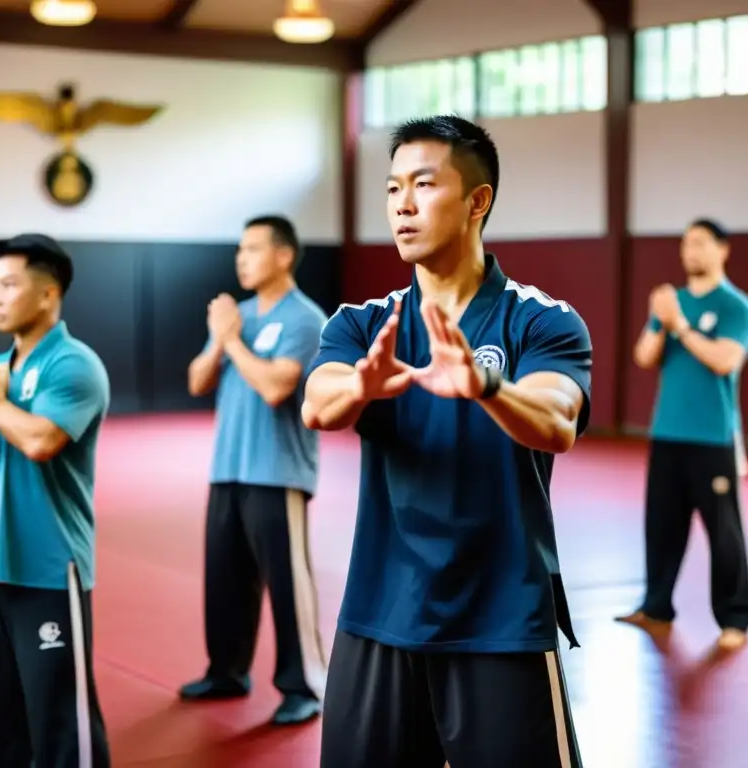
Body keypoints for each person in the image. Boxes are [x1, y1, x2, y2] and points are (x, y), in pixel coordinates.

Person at [303, 115, 591, 767]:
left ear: (477, 202)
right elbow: (317, 404)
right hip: (380, 610)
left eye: (424, 184)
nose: (402, 204)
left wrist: (486, 385)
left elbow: (557, 419)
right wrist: (363, 387)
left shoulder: (541, 319)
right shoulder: (363, 323)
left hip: (502, 617)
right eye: (392, 188)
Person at [0, 234, 111, 768]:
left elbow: (40, 441)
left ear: (48, 294)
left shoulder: (75, 365)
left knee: (62, 730)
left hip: (49, 571)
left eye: (9, 284)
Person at [180, 215, 329, 726]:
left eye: (252, 249)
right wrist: (220, 339)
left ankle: (304, 684)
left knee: (288, 586)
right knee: (224, 579)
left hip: (278, 473)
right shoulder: (236, 316)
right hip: (228, 469)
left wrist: (233, 340)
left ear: (283, 255)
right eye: (239, 250)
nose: (241, 258)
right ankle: (226, 671)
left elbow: (274, 388)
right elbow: (198, 380)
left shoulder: (305, 320)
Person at [616, 219, 748, 651]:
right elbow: (644, 355)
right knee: (661, 525)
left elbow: (724, 360)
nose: (689, 251)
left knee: (724, 533)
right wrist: (660, 321)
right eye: (684, 244)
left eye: (699, 243)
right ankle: (655, 605)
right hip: (667, 433)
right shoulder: (669, 302)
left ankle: (735, 619)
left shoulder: (736, 307)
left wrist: (678, 325)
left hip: (713, 437)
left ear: (722, 250)